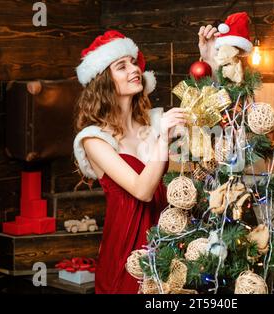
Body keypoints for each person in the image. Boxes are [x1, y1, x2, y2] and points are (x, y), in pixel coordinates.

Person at [72, 26, 218, 294]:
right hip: (127, 252)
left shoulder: (151, 123)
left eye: (133, 62)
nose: (134, 69)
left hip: (168, 242)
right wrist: (162, 138)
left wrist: (207, 60)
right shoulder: (93, 140)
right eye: (121, 66)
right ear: (104, 80)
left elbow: (203, 112)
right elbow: (142, 190)